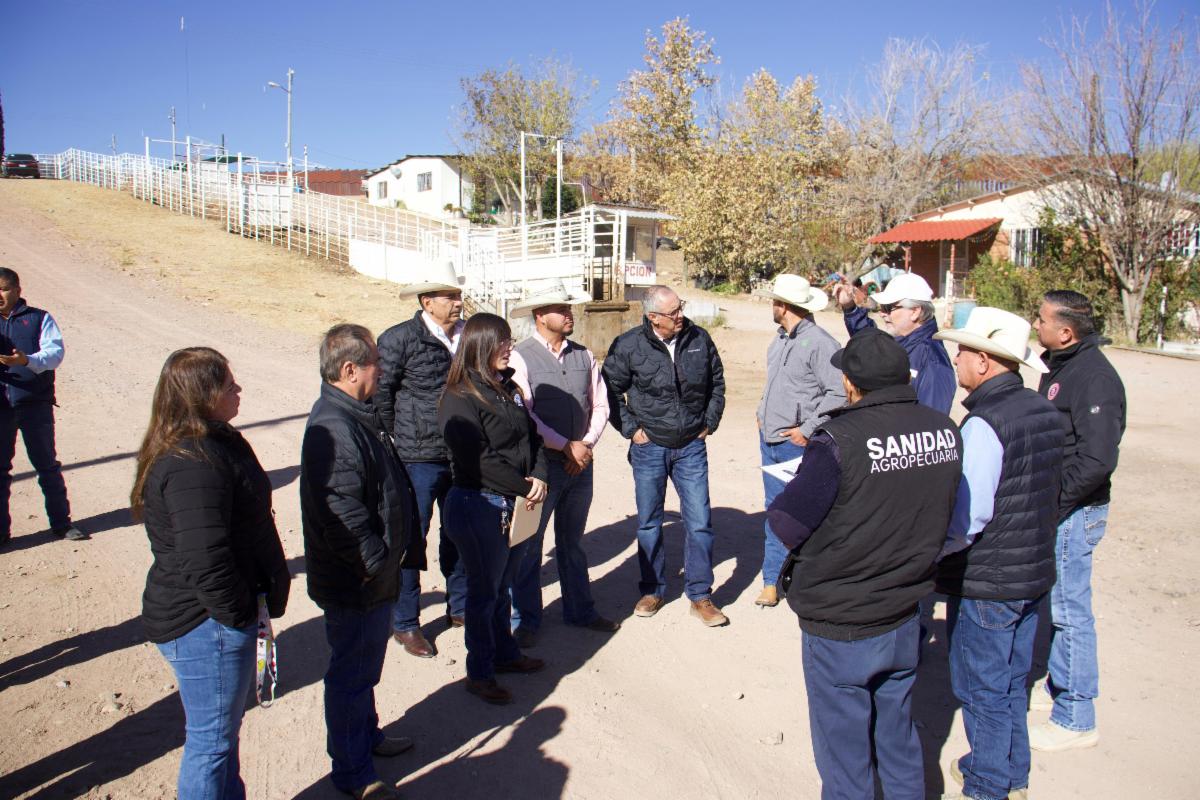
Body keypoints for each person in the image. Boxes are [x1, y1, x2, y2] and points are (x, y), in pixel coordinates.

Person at [769, 329, 962, 800]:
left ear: (852, 385)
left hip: (842, 618)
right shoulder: (944, 429)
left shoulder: (839, 438)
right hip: (904, 609)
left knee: (845, 753)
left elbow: (788, 524)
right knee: (897, 737)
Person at [132, 347, 291, 800]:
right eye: (228, 385)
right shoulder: (191, 464)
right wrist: (238, 614)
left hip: (214, 618)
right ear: (203, 395)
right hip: (205, 624)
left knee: (222, 737)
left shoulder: (212, 440)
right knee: (211, 742)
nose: (238, 391)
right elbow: (205, 558)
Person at [933, 307, 1065, 800]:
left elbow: (969, 518)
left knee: (981, 690)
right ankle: (1013, 776)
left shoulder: (984, 425)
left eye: (963, 352)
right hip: (1032, 571)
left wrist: (935, 555)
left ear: (985, 362)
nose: (957, 360)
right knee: (1011, 682)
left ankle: (987, 785)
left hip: (990, 580)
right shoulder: (1043, 411)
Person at [301, 324, 420, 800]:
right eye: (375, 363)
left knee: (364, 671)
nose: (383, 370)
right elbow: (342, 511)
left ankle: (366, 740)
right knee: (350, 677)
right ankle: (352, 774)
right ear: (350, 370)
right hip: (357, 580)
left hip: (371, 576)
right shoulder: (334, 424)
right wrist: (377, 564)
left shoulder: (355, 413)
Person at [1028, 289, 1126, 752]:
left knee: (1070, 614)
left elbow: (1096, 459)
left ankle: (1077, 715)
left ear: (1066, 331)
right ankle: (1053, 689)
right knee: (1055, 607)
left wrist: (1057, 502)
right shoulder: (1059, 364)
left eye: (1042, 319)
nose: (1036, 325)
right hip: (1056, 506)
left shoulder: (1095, 379)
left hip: (1074, 511)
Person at [439, 313, 549, 705]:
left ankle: (504, 654)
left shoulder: (508, 387)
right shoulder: (458, 397)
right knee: (484, 594)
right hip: (479, 505)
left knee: (502, 588)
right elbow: (478, 461)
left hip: (515, 503)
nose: (510, 348)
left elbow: (532, 437)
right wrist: (525, 487)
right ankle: (480, 672)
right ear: (482, 345)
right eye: (503, 342)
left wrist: (538, 476)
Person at [602, 285, 728, 627]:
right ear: (653, 317)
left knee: (700, 522)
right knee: (648, 523)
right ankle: (653, 589)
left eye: (681, 308)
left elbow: (717, 382)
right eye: (673, 313)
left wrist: (709, 423)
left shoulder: (698, 338)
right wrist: (631, 429)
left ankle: (700, 595)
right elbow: (608, 389)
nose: (680, 316)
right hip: (649, 447)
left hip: (690, 445)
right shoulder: (629, 345)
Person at [506, 284, 620, 647]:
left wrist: (584, 445)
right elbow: (525, 413)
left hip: (579, 464)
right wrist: (564, 446)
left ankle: (580, 610)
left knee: (572, 542)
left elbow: (601, 404)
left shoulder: (585, 356)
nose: (569, 313)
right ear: (540, 316)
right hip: (543, 467)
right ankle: (525, 619)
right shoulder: (519, 357)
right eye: (560, 308)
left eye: (568, 307)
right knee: (529, 545)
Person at [375, 260, 468, 658]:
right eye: (450, 296)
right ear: (428, 302)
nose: (458, 302)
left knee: (461, 533)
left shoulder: (468, 336)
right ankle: (406, 622)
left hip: (463, 454)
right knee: (411, 540)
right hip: (416, 457)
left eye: (458, 294)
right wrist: (399, 437)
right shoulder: (399, 339)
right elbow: (381, 394)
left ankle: (460, 606)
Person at [752, 274, 844, 608]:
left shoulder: (819, 342)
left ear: (785, 306)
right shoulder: (779, 340)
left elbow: (838, 391)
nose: (771, 305)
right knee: (775, 509)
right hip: (770, 438)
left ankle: (789, 579)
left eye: (774, 300)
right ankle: (773, 579)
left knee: (798, 512)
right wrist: (763, 412)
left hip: (796, 443)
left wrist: (808, 428)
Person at [0, 267, 85, 546]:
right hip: (1, 408)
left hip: (35, 403)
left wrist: (25, 361)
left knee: (46, 466)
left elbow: (54, 354)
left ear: (18, 290)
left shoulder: (39, 318)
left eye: (3, 288)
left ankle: (62, 524)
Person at [833, 271, 955, 413]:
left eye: (889, 308)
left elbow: (931, 421)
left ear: (915, 311)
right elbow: (869, 346)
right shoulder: (901, 342)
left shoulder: (933, 361)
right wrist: (850, 308)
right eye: (882, 307)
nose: (882, 313)